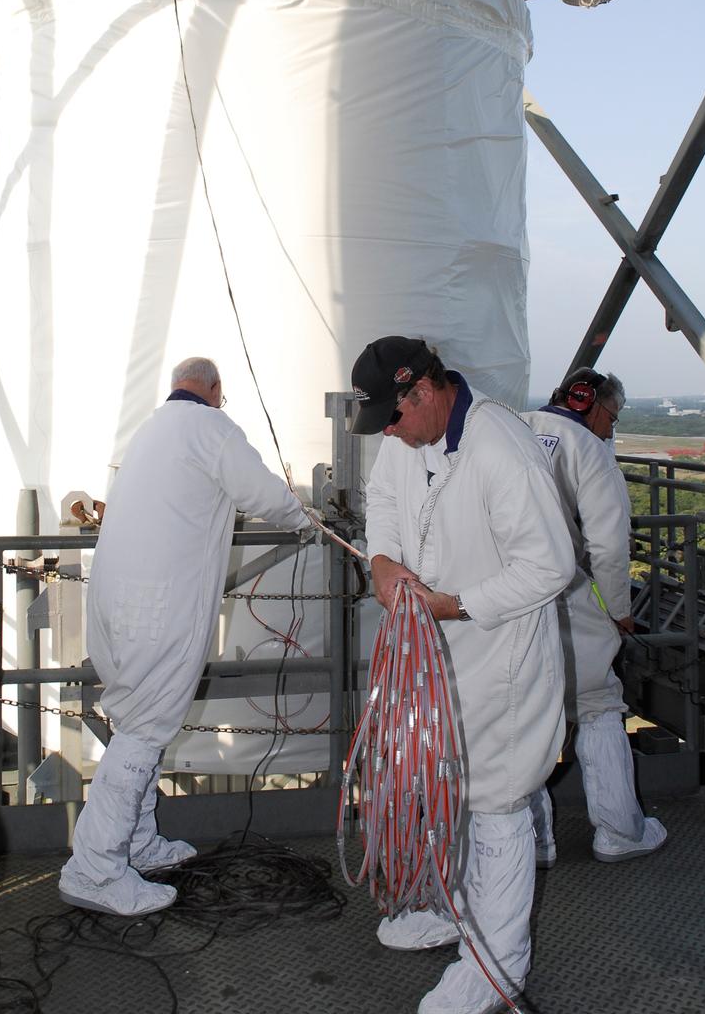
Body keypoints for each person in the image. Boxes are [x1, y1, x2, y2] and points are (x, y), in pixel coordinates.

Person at [350, 336, 575, 1014]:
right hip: (439, 660)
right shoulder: (406, 440)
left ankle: (497, 971)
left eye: (392, 418)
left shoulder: (500, 448)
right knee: (441, 786)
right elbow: (383, 499)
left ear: (421, 391)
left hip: (500, 661)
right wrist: (382, 562)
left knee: (498, 806)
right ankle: (454, 911)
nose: (387, 434)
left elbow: (551, 565)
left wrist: (456, 605)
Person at [59, 356, 310, 916]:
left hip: (112, 602)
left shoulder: (149, 430)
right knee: (146, 730)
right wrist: (302, 519)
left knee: (134, 723)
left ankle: (136, 843)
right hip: (156, 608)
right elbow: (264, 493)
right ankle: (95, 869)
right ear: (215, 389)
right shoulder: (212, 428)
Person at [524, 368, 667, 865]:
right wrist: (621, 612)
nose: (612, 429)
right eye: (612, 417)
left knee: (526, 715)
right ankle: (619, 831)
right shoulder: (590, 451)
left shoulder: (513, 429)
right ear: (589, 404)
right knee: (599, 706)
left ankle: (532, 842)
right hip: (567, 598)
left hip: (504, 605)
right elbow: (607, 547)